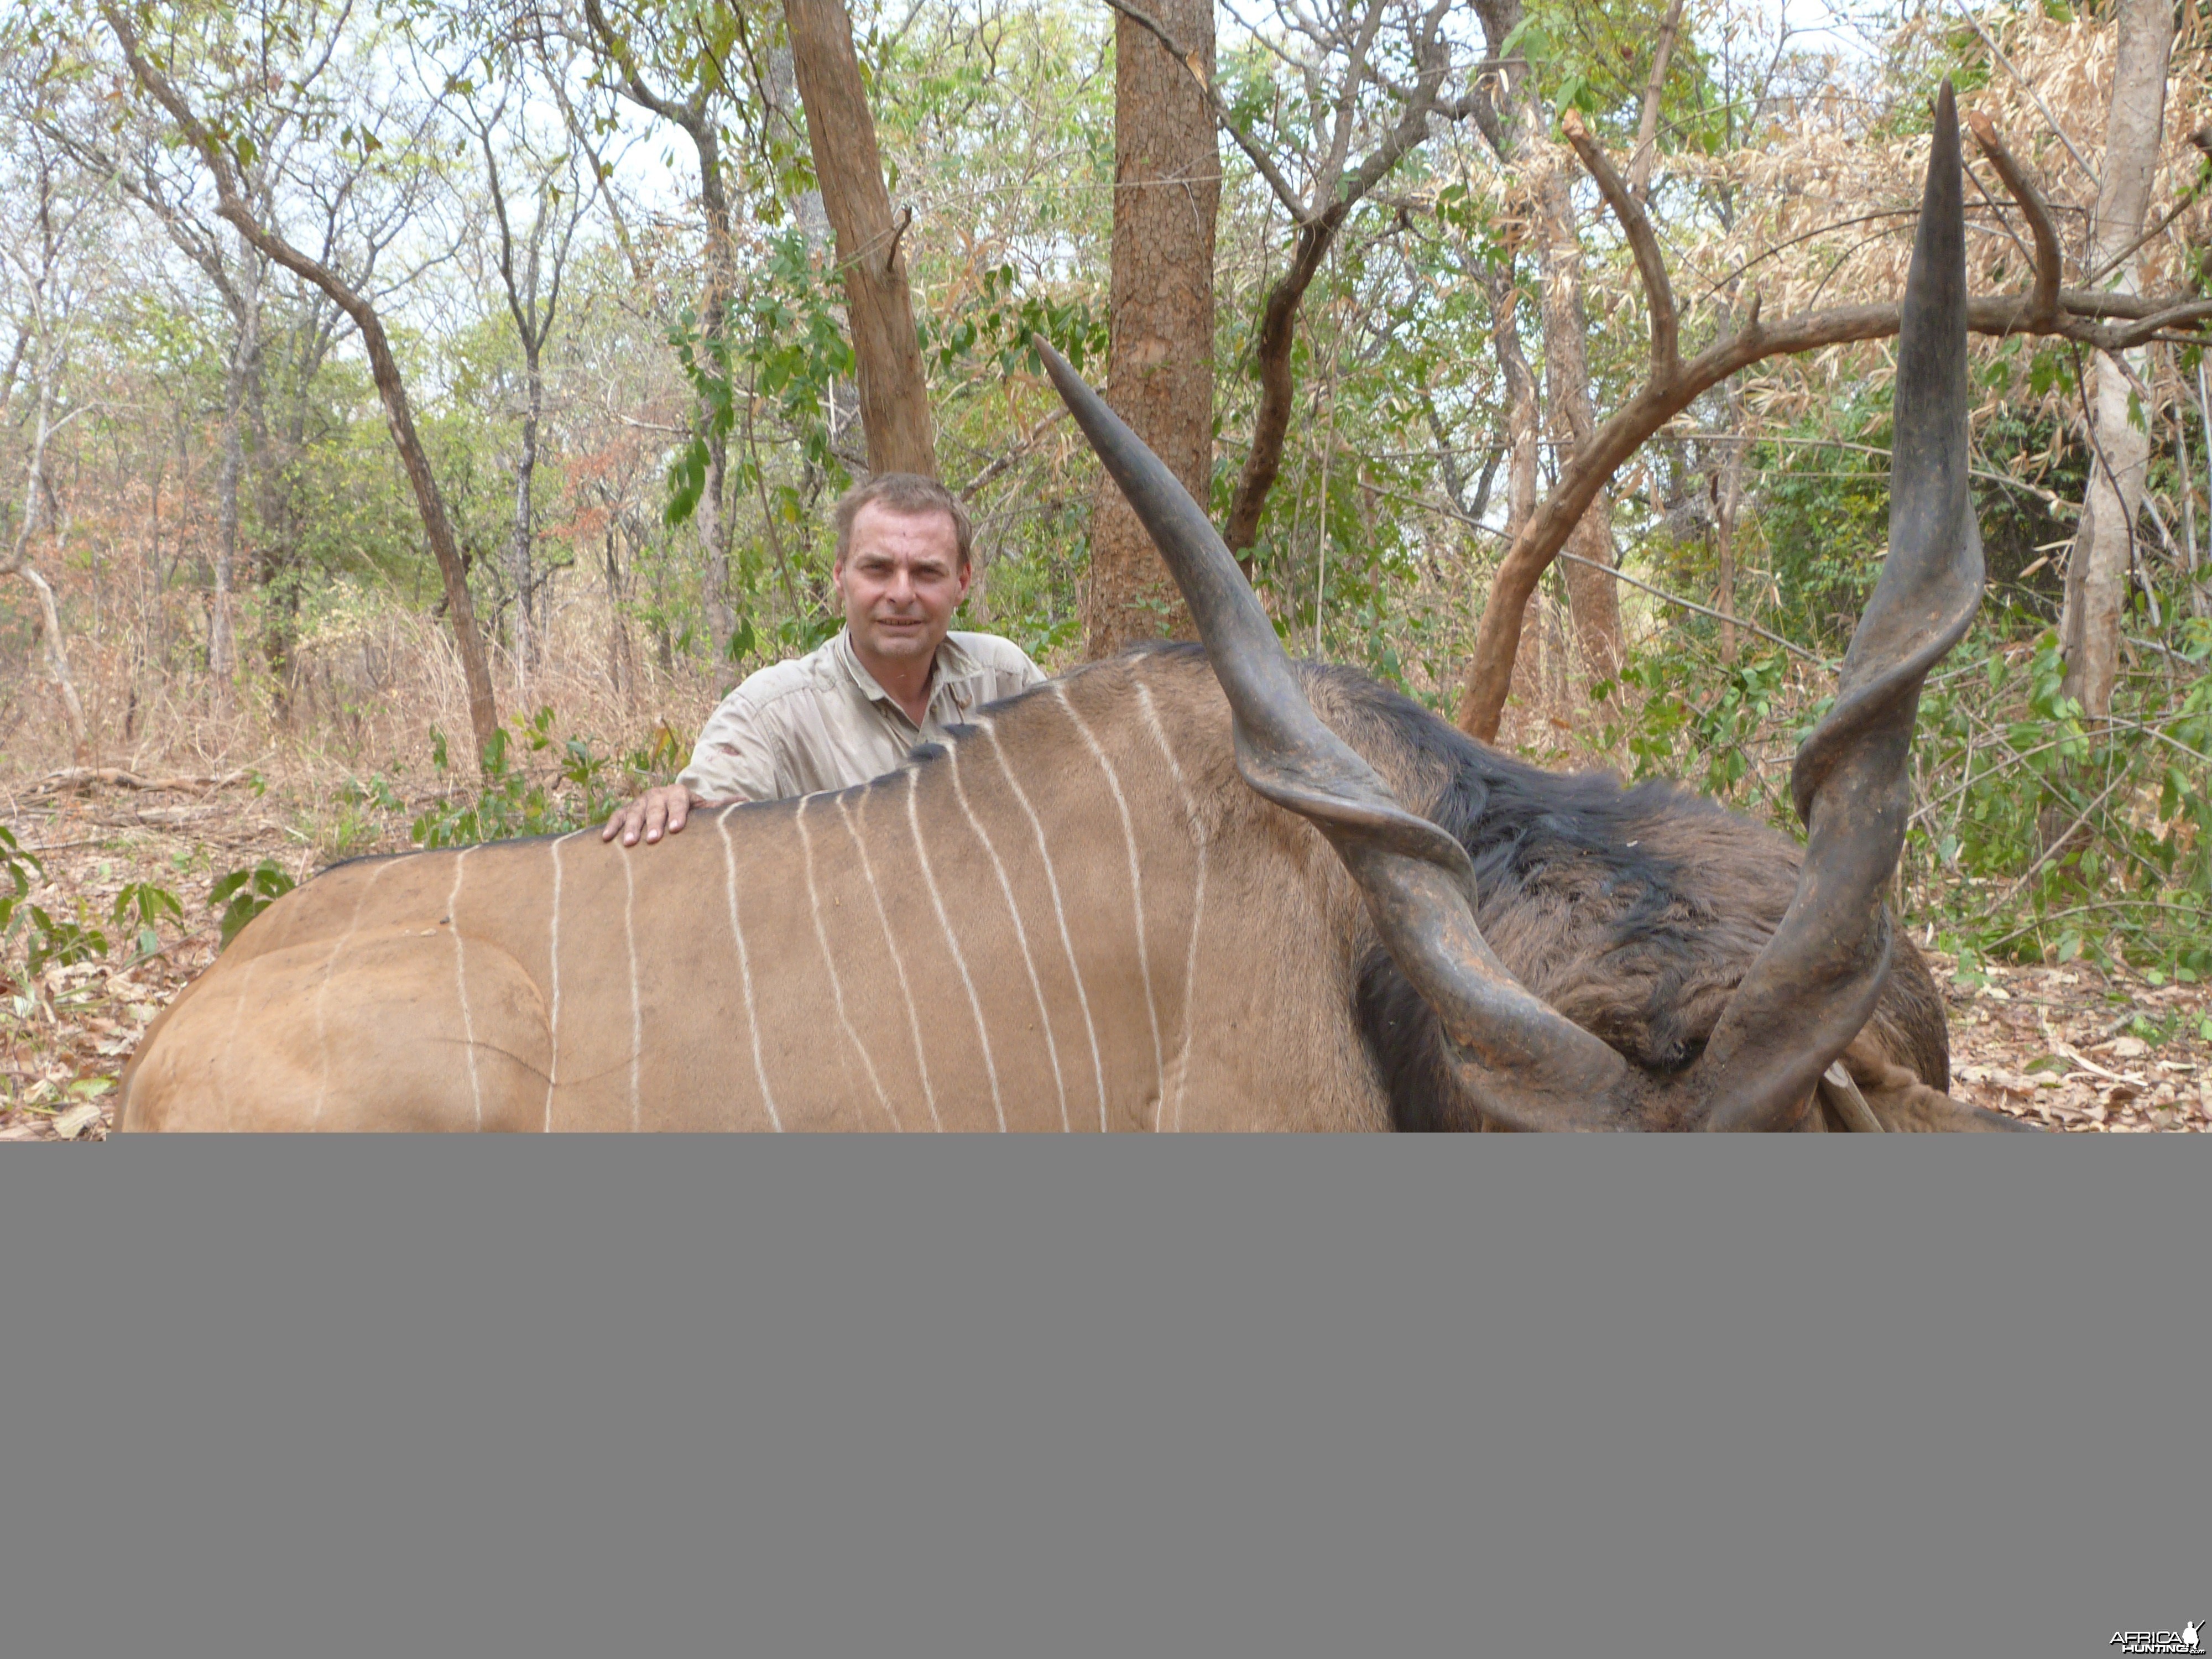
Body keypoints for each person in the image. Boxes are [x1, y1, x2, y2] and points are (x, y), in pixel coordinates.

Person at [603, 472, 1044, 846]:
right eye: (877, 569)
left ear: (962, 583)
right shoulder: (770, 714)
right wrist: (672, 804)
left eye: (927, 573)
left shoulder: (1006, 679)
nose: (902, 593)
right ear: (840, 576)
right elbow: (706, 822)